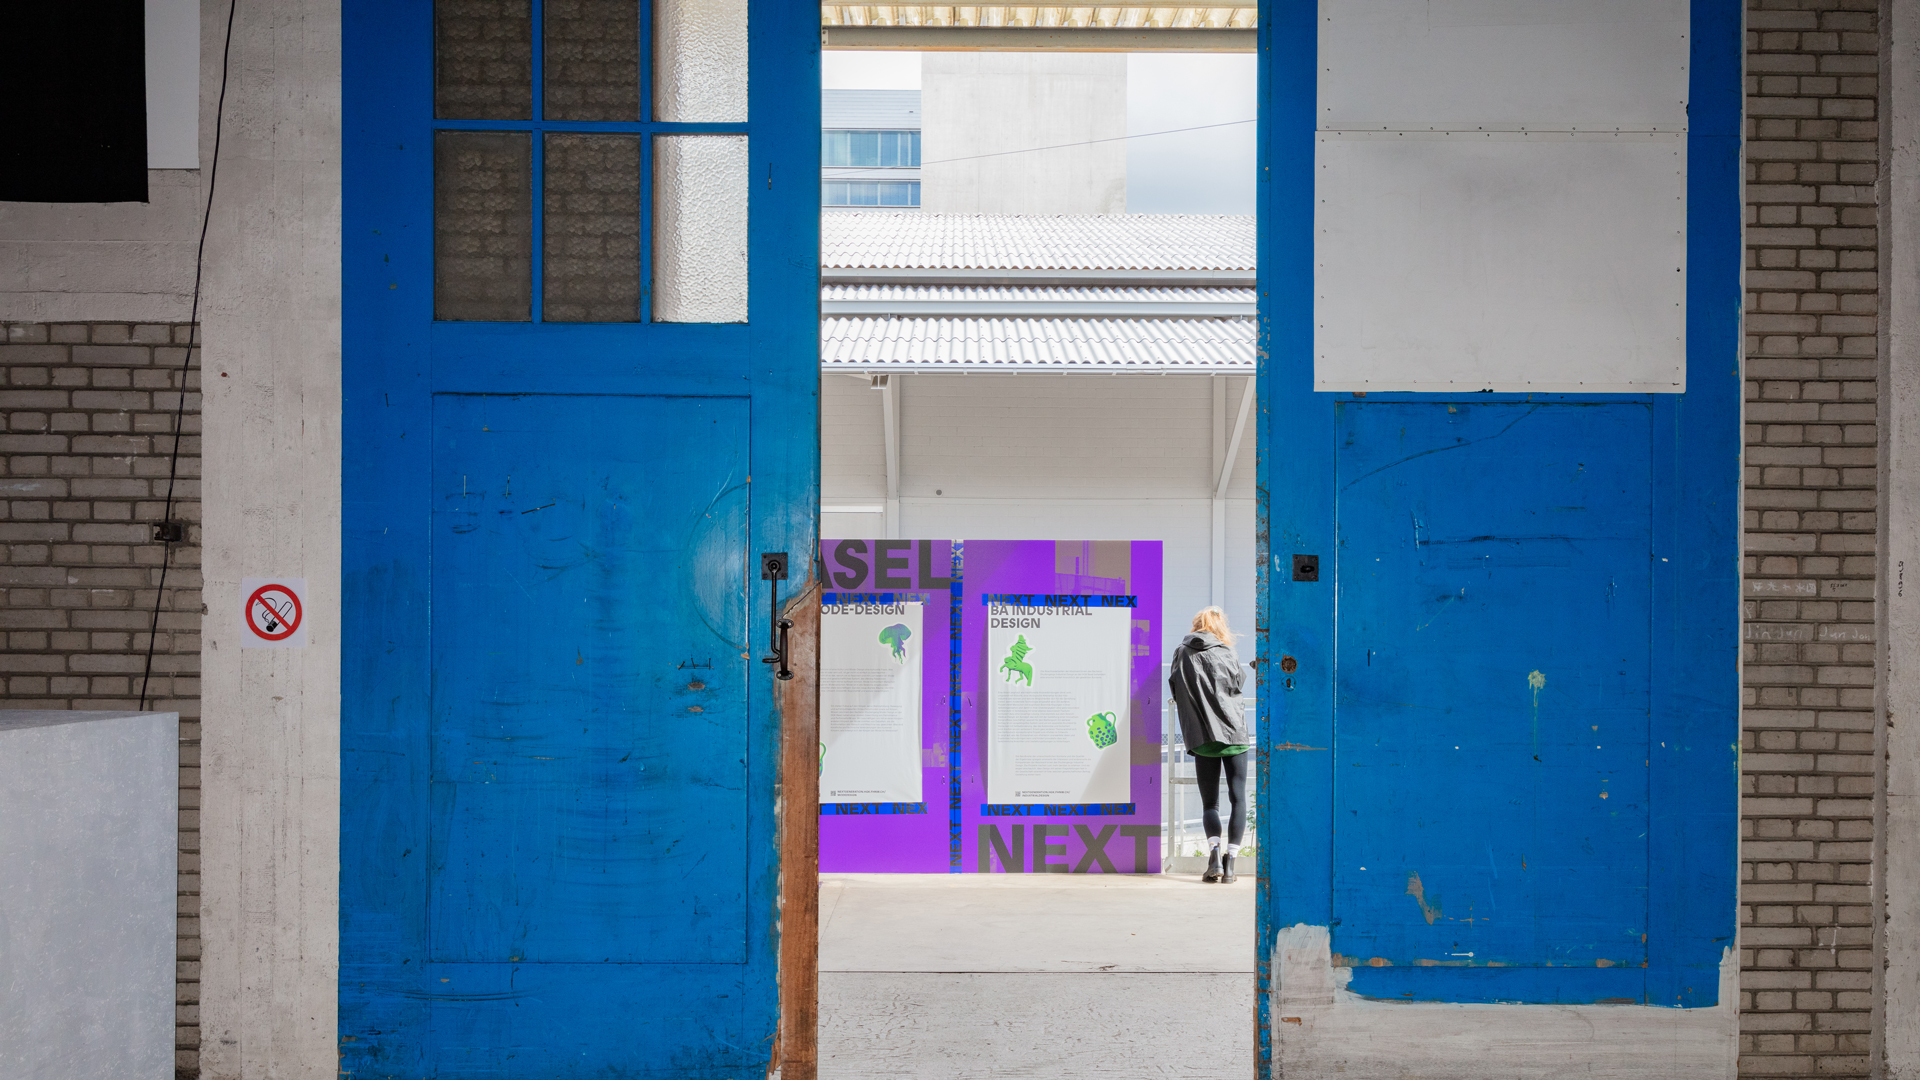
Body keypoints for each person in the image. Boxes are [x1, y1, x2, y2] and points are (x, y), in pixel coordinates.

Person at [1168, 607, 1250, 884]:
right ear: (1220, 627)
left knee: (1209, 803)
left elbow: (1175, 686)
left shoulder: (1182, 652)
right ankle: (1231, 865)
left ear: (1196, 625)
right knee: (1238, 799)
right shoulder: (1227, 651)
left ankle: (1214, 857)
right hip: (1233, 733)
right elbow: (1237, 685)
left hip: (1202, 736)